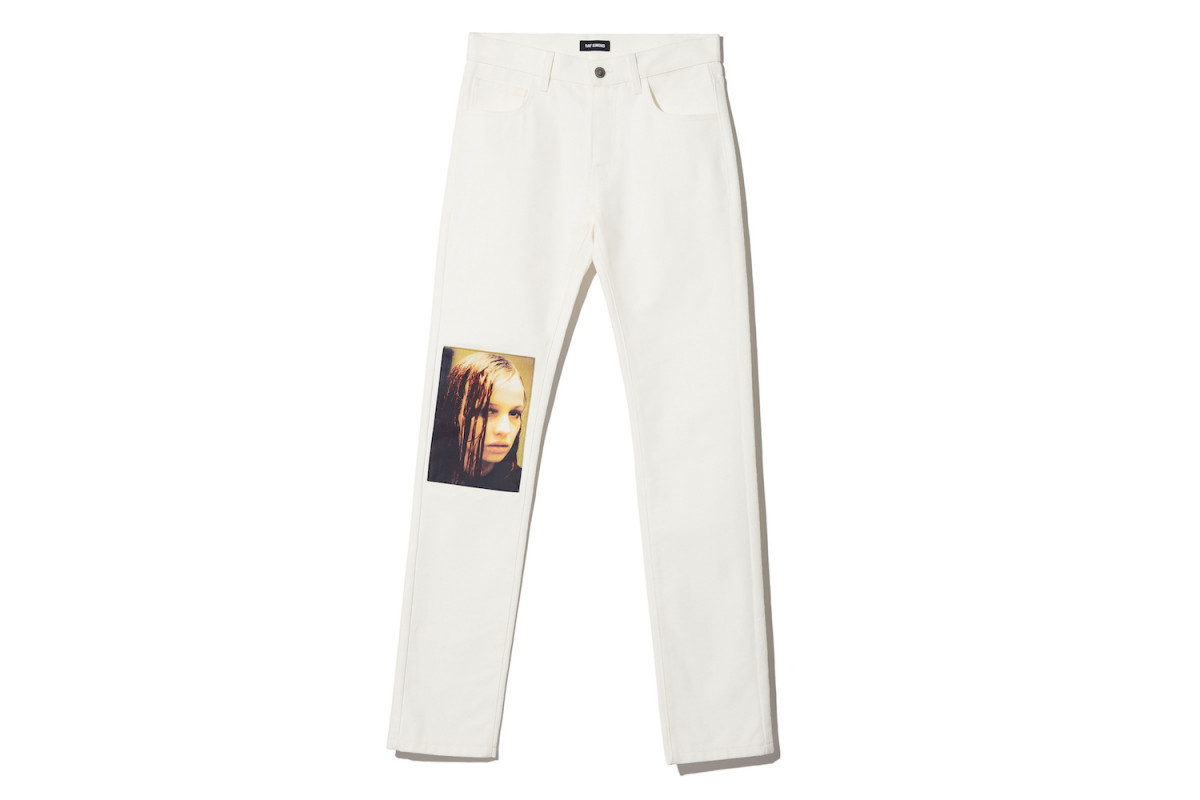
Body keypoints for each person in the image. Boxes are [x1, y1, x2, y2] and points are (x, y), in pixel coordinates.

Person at [427, 351, 526, 492]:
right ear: (455, 413)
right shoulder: (428, 471)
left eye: (515, 413)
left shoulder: (522, 485)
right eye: (487, 411)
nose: (505, 430)